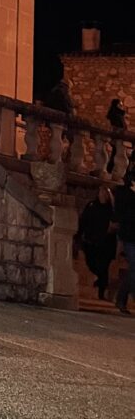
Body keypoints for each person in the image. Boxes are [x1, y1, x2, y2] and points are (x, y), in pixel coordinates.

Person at [77, 186, 117, 300]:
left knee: (104, 267)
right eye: (101, 193)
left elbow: (116, 224)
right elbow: (84, 220)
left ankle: (101, 292)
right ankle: (100, 279)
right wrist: (79, 235)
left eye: (105, 194)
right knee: (91, 263)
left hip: (106, 243)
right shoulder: (92, 206)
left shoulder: (111, 209)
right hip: (91, 241)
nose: (102, 196)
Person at [113, 167, 135, 316]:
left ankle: (121, 298)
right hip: (130, 237)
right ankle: (122, 299)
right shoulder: (125, 195)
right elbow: (122, 216)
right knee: (134, 268)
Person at [107, 99, 127, 175]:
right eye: (120, 105)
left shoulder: (118, 115)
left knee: (115, 154)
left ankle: (110, 170)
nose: (122, 106)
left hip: (119, 138)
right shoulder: (116, 115)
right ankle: (110, 171)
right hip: (117, 138)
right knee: (115, 154)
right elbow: (117, 127)